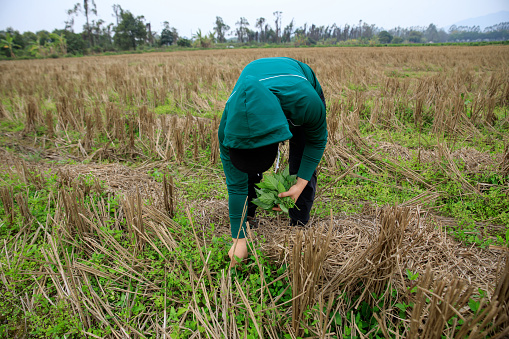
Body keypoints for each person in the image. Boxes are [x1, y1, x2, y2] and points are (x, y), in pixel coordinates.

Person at [218, 57, 327, 266]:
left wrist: (300, 184)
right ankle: (248, 218)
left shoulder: (306, 102)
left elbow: (316, 141)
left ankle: (299, 225)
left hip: (297, 85)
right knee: (247, 170)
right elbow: (236, 184)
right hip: (255, 81)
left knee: (300, 158)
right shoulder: (228, 129)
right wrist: (238, 239)